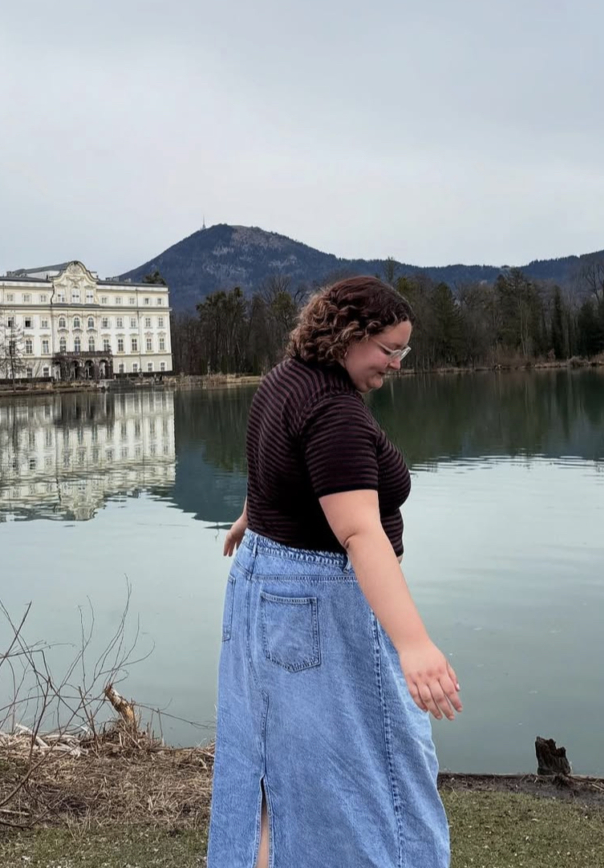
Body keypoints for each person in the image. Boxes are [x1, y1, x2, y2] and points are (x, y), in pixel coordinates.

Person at [207, 276, 462, 868]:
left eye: (404, 351)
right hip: (317, 603)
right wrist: (414, 644)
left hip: (263, 589)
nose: (396, 364)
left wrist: (254, 518)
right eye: (388, 350)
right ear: (350, 335)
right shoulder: (333, 410)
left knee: (274, 766)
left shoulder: (284, 380)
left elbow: (277, 463)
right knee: (383, 772)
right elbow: (359, 532)